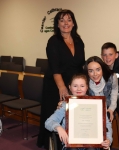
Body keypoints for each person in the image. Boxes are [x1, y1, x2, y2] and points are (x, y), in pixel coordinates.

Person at [37, 9, 85, 149]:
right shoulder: (53, 41)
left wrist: (81, 84)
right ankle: (53, 144)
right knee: (56, 114)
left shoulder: (79, 41)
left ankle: (71, 142)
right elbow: (55, 67)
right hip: (55, 84)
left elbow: (80, 64)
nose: (66, 23)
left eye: (69, 20)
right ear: (57, 24)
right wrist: (62, 87)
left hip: (73, 84)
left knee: (71, 115)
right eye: (62, 20)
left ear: (73, 23)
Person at [45, 74, 112, 150]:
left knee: (91, 148)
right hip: (71, 144)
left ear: (87, 87)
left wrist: (109, 139)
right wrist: (58, 127)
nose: (79, 89)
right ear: (70, 87)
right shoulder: (65, 105)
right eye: (75, 86)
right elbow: (48, 122)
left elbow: (106, 123)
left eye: (82, 86)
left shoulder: (96, 104)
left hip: (92, 143)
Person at [84, 56, 118, 122]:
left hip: (107, 107)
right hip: (90, 110)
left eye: (98, 70)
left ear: (102, 69)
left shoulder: (112, 77)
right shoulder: (83, 81)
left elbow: (115, 90)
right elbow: (76, 95)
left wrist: (112, 108)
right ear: (87, 72)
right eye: (91, 71)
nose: (95, 74)